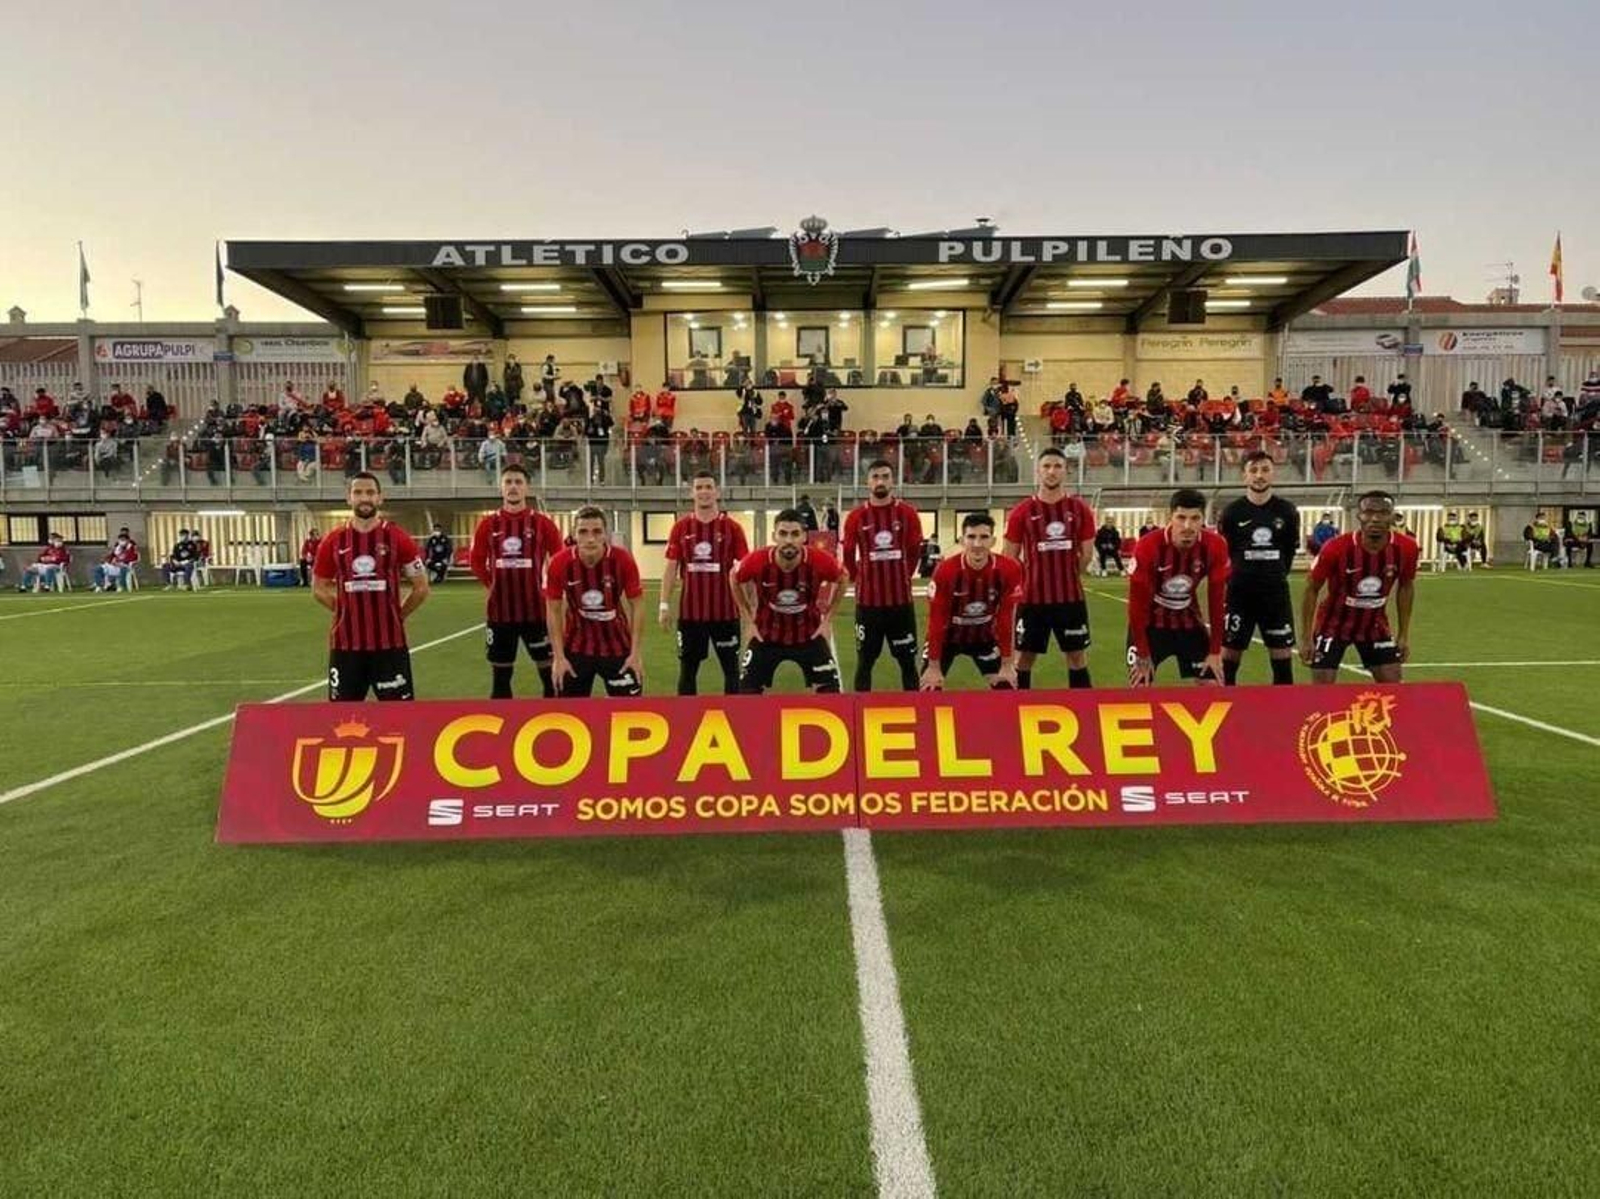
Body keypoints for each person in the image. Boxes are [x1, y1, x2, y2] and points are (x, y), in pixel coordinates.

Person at [311, 473, 430, 701]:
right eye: (358, 493)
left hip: (390, 645)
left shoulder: (398, 537)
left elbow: (421, 587)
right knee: (341, 719)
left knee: (400, 718)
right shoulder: (333, 540)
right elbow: (318, 587)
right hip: (346, 647)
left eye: (370, 492)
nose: (364, 498)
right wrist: (343, 609)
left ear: (380, 498)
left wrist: (398, 614)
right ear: (349, 498)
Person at [1299, 490, 1418, 684]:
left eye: (1382, 513)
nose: (1375, 519)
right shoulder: (1335, 547)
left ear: (1392, 516)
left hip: (1375, 625)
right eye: (1369, 512)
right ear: (1359, 516)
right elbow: (1311, 588)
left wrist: (1404, 634)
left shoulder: (1407, 548)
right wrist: (1306, 638)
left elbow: (1406, 586)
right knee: (1322, 691)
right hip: (1333, 625)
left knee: (1394, 686)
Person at [1002, 446, 1096, 689]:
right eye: (1046, 466)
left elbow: (1086, 555)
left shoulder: (1080, 510)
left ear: (1066, 471)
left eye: (1057, 466)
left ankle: (1083, 711)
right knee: (1023, 658)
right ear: (1038, 471)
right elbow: (1009, 558)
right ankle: (1017, 713)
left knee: (1076, 657)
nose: (1051, 472)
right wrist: (1026, 582)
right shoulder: (1021, 512)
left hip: (1070, 599)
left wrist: (1069, 575)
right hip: (1032, 600)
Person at [470, 466, 564, 699]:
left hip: (537, 613)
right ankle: (504, 731)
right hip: (500, 614)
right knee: (501, 680)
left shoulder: (543, 523)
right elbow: (476, 561)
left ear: (526, 487)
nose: (513, 486)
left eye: (518, 482)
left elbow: (561, 560)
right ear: (501, 487)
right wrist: (492, 585)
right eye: (508, 482)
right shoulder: (487, 525)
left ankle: (554, 723)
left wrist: (549, 590)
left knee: (549, 677)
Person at [731, 509, 844, 694]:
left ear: (804, 537)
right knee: (746, 693)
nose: (789, 540)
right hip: (766, 636)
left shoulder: (819, 560)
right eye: (783, 534)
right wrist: (748, 621)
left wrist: (828, 620)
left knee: (831, 693)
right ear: (774, 536)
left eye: (795, 534)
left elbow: (843, 576)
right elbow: (733, 577)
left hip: (810, 635)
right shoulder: (758, 560)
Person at [1127, 489, 1230, 686]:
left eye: (1195, 518)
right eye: (1181, 517)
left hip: (1189, 622)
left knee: (1213, 685)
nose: (1188, 526)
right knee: (1140, 684)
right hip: (1150, 625)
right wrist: (1142, 651)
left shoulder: (1215, 546)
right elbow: (1135, 604)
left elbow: (1217, 601)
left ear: (1203, 519)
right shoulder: (1148, 546)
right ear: (1170, 517)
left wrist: (1215, 651)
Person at [659, 472, 750, 695]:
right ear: (692, 493)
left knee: (731, 670)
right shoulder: (680, 528)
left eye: (708, 487)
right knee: (688, 670)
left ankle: (735, 718)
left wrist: (751, 610)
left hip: (726, 614)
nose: (704, 492)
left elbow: (745, 569)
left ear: (717, 492)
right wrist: (664, 605)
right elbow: (671, 568)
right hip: (691, 615)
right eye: (698, 488)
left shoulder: (733, 528)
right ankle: (687, 720)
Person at [1217, 451, 1300, 686]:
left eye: (1264, 470)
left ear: (1273, 474)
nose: (1259, 476)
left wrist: (1273, 575)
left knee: (1282, 658)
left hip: (1275, 595)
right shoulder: (1232, 513)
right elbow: (1225, 553)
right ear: (1244, 476)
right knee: (1229, 656)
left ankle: (1283, 717)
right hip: (1239, 595)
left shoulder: (1287, 512)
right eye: (1253, 470)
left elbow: (1289, 551)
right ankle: (1226, 711)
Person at [543, 507, 645, 697]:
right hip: (576, 647)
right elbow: (553, 609)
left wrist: (635, 653)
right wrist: (558, 657)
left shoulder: (622, 560)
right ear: (574, 535)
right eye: (583, 532)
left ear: (605, 534)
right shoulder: (559, 563)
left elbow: (637, 605)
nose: (590, 539)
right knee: (569, 716)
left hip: (618, 647)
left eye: (597, 532)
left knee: (629, 712)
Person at [842, 460, 923, 691]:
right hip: (868, 606)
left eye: (885, 476)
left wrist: (905, 575)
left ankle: (915, 710)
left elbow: (915, 549)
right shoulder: (856, 517)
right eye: (875, 477)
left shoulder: (907, 513)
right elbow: (848, 553)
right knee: (865, 662)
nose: (880, 481)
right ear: (867, 482)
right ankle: (860, 714)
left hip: (901, 605)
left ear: (892, 480)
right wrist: (859, 579)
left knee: (908, 663)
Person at [919, 512, 1024, 691]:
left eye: (984, 537)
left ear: (993, 540)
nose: (977, 544)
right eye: (971, 537)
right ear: (962, 540)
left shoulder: (1009, 569)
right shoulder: (945, 571)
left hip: (984, 637)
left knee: (1007, 687)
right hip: (947, 638)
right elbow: (936, 621)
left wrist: (1007, 664)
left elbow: (1006, 618)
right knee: (928, 688)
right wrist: (934, 667)